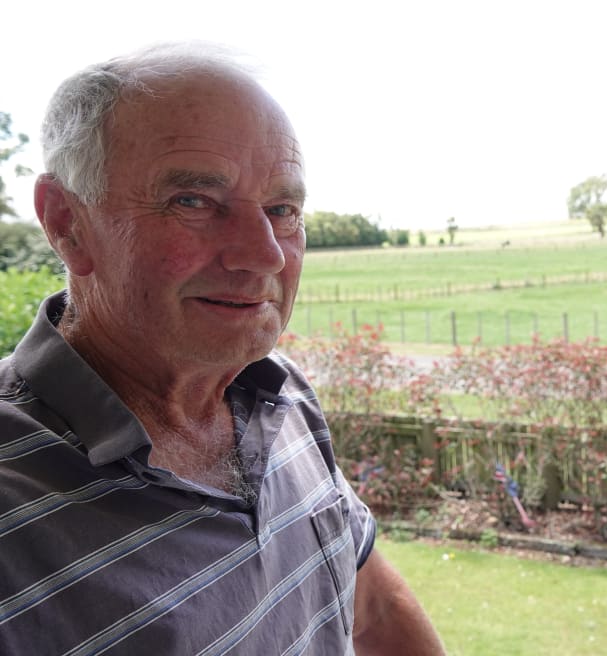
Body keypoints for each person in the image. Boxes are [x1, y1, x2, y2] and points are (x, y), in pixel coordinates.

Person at [0, 43, 445, 655]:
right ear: (67, 223)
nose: (264, 254)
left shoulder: (279, 395)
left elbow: (368, 601)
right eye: (194, 202)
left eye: (282, 210)